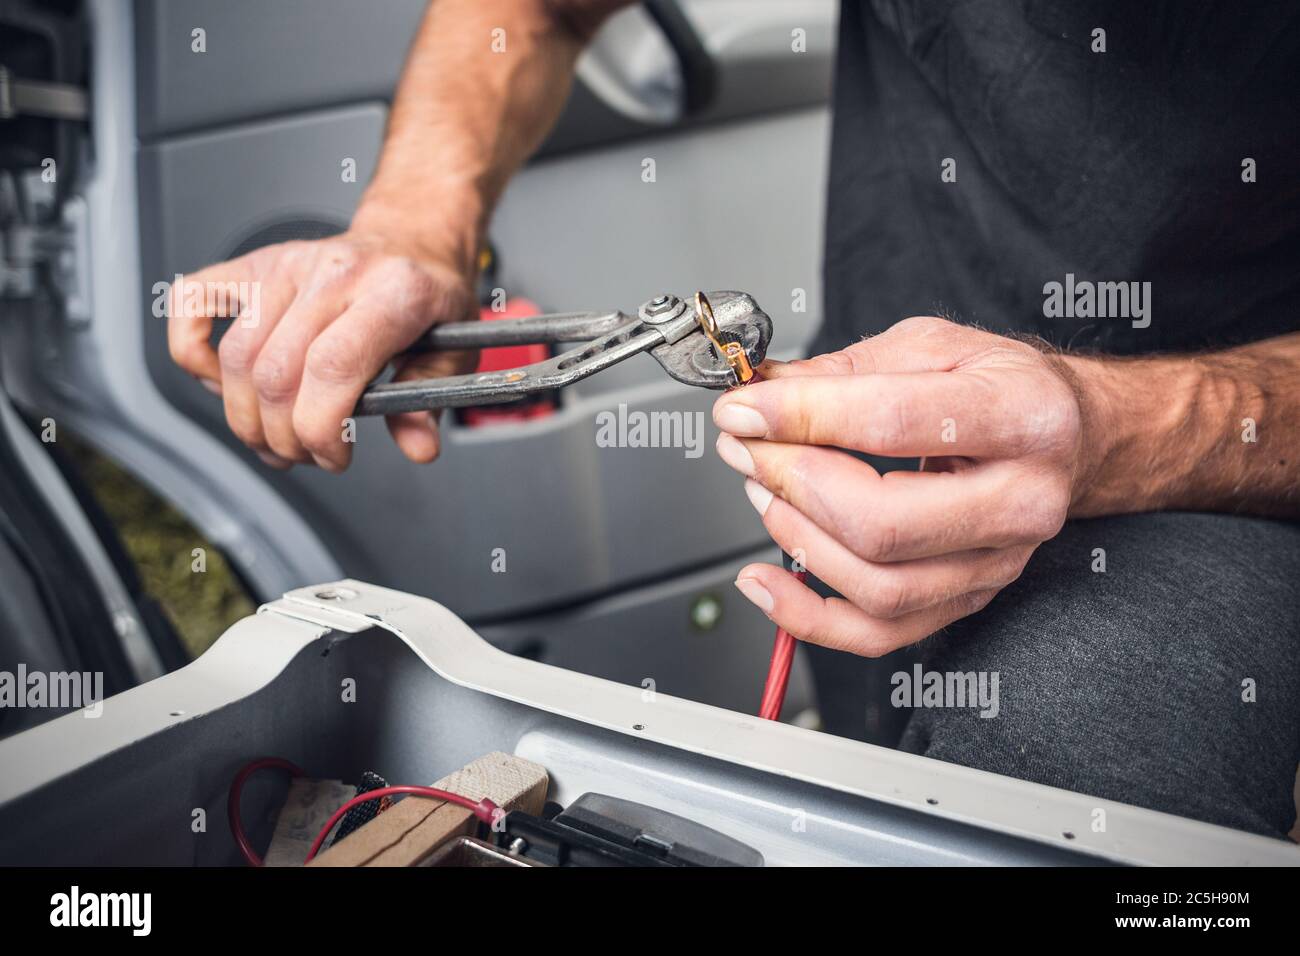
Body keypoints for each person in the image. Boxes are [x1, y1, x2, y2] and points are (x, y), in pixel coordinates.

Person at [166, 1, 1300, 839]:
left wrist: (1123, 427)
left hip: (1237, 487)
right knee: (864, 804)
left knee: (1058, 781)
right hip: (875, 499)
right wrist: (418, 217)